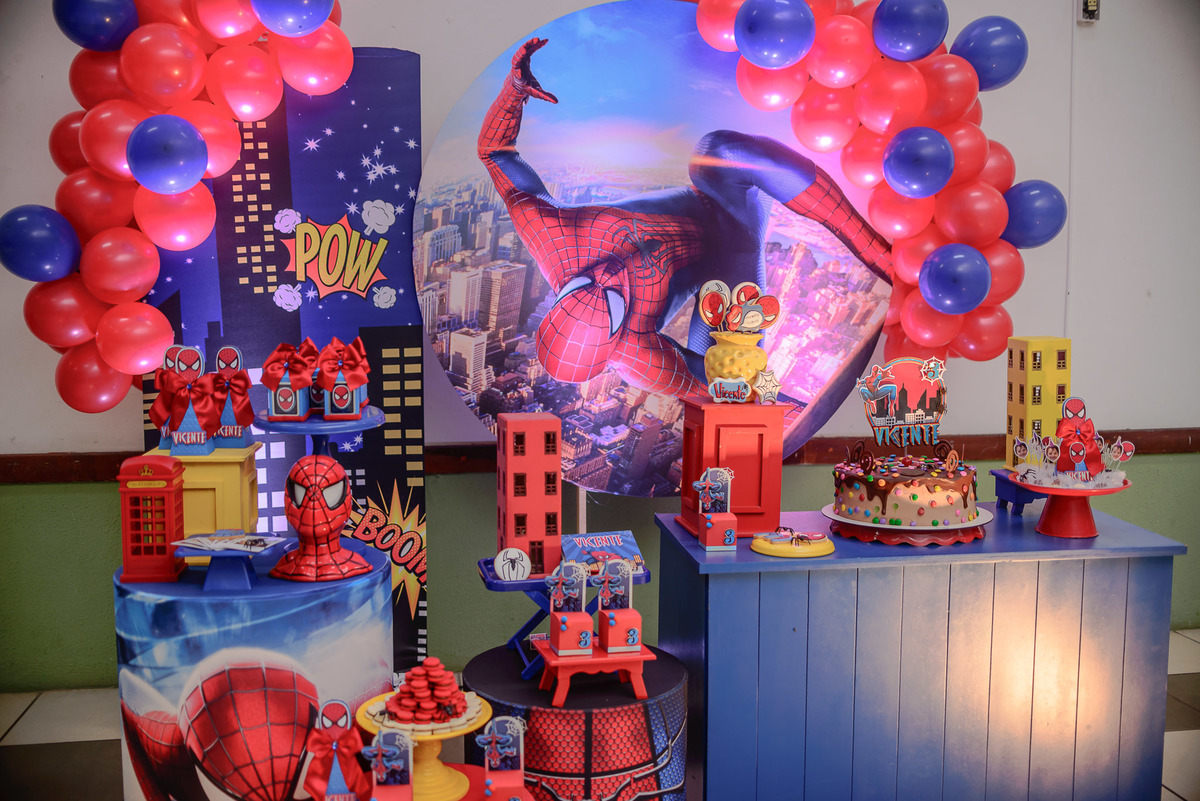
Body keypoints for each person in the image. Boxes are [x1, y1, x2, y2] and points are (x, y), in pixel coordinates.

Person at [478, 38, 893, 400]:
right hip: (731, 274)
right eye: (612, 301)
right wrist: (760, 397)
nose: (608, 274)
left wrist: (514, 91)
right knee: (728, 369)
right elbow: (721, 388)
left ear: (561, 294)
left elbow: (494, 153)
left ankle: (878, 253)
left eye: (584, 285)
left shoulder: (551, 235)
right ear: (616, 339)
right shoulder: (638, 356)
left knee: (716, 150)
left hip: (723, 194)